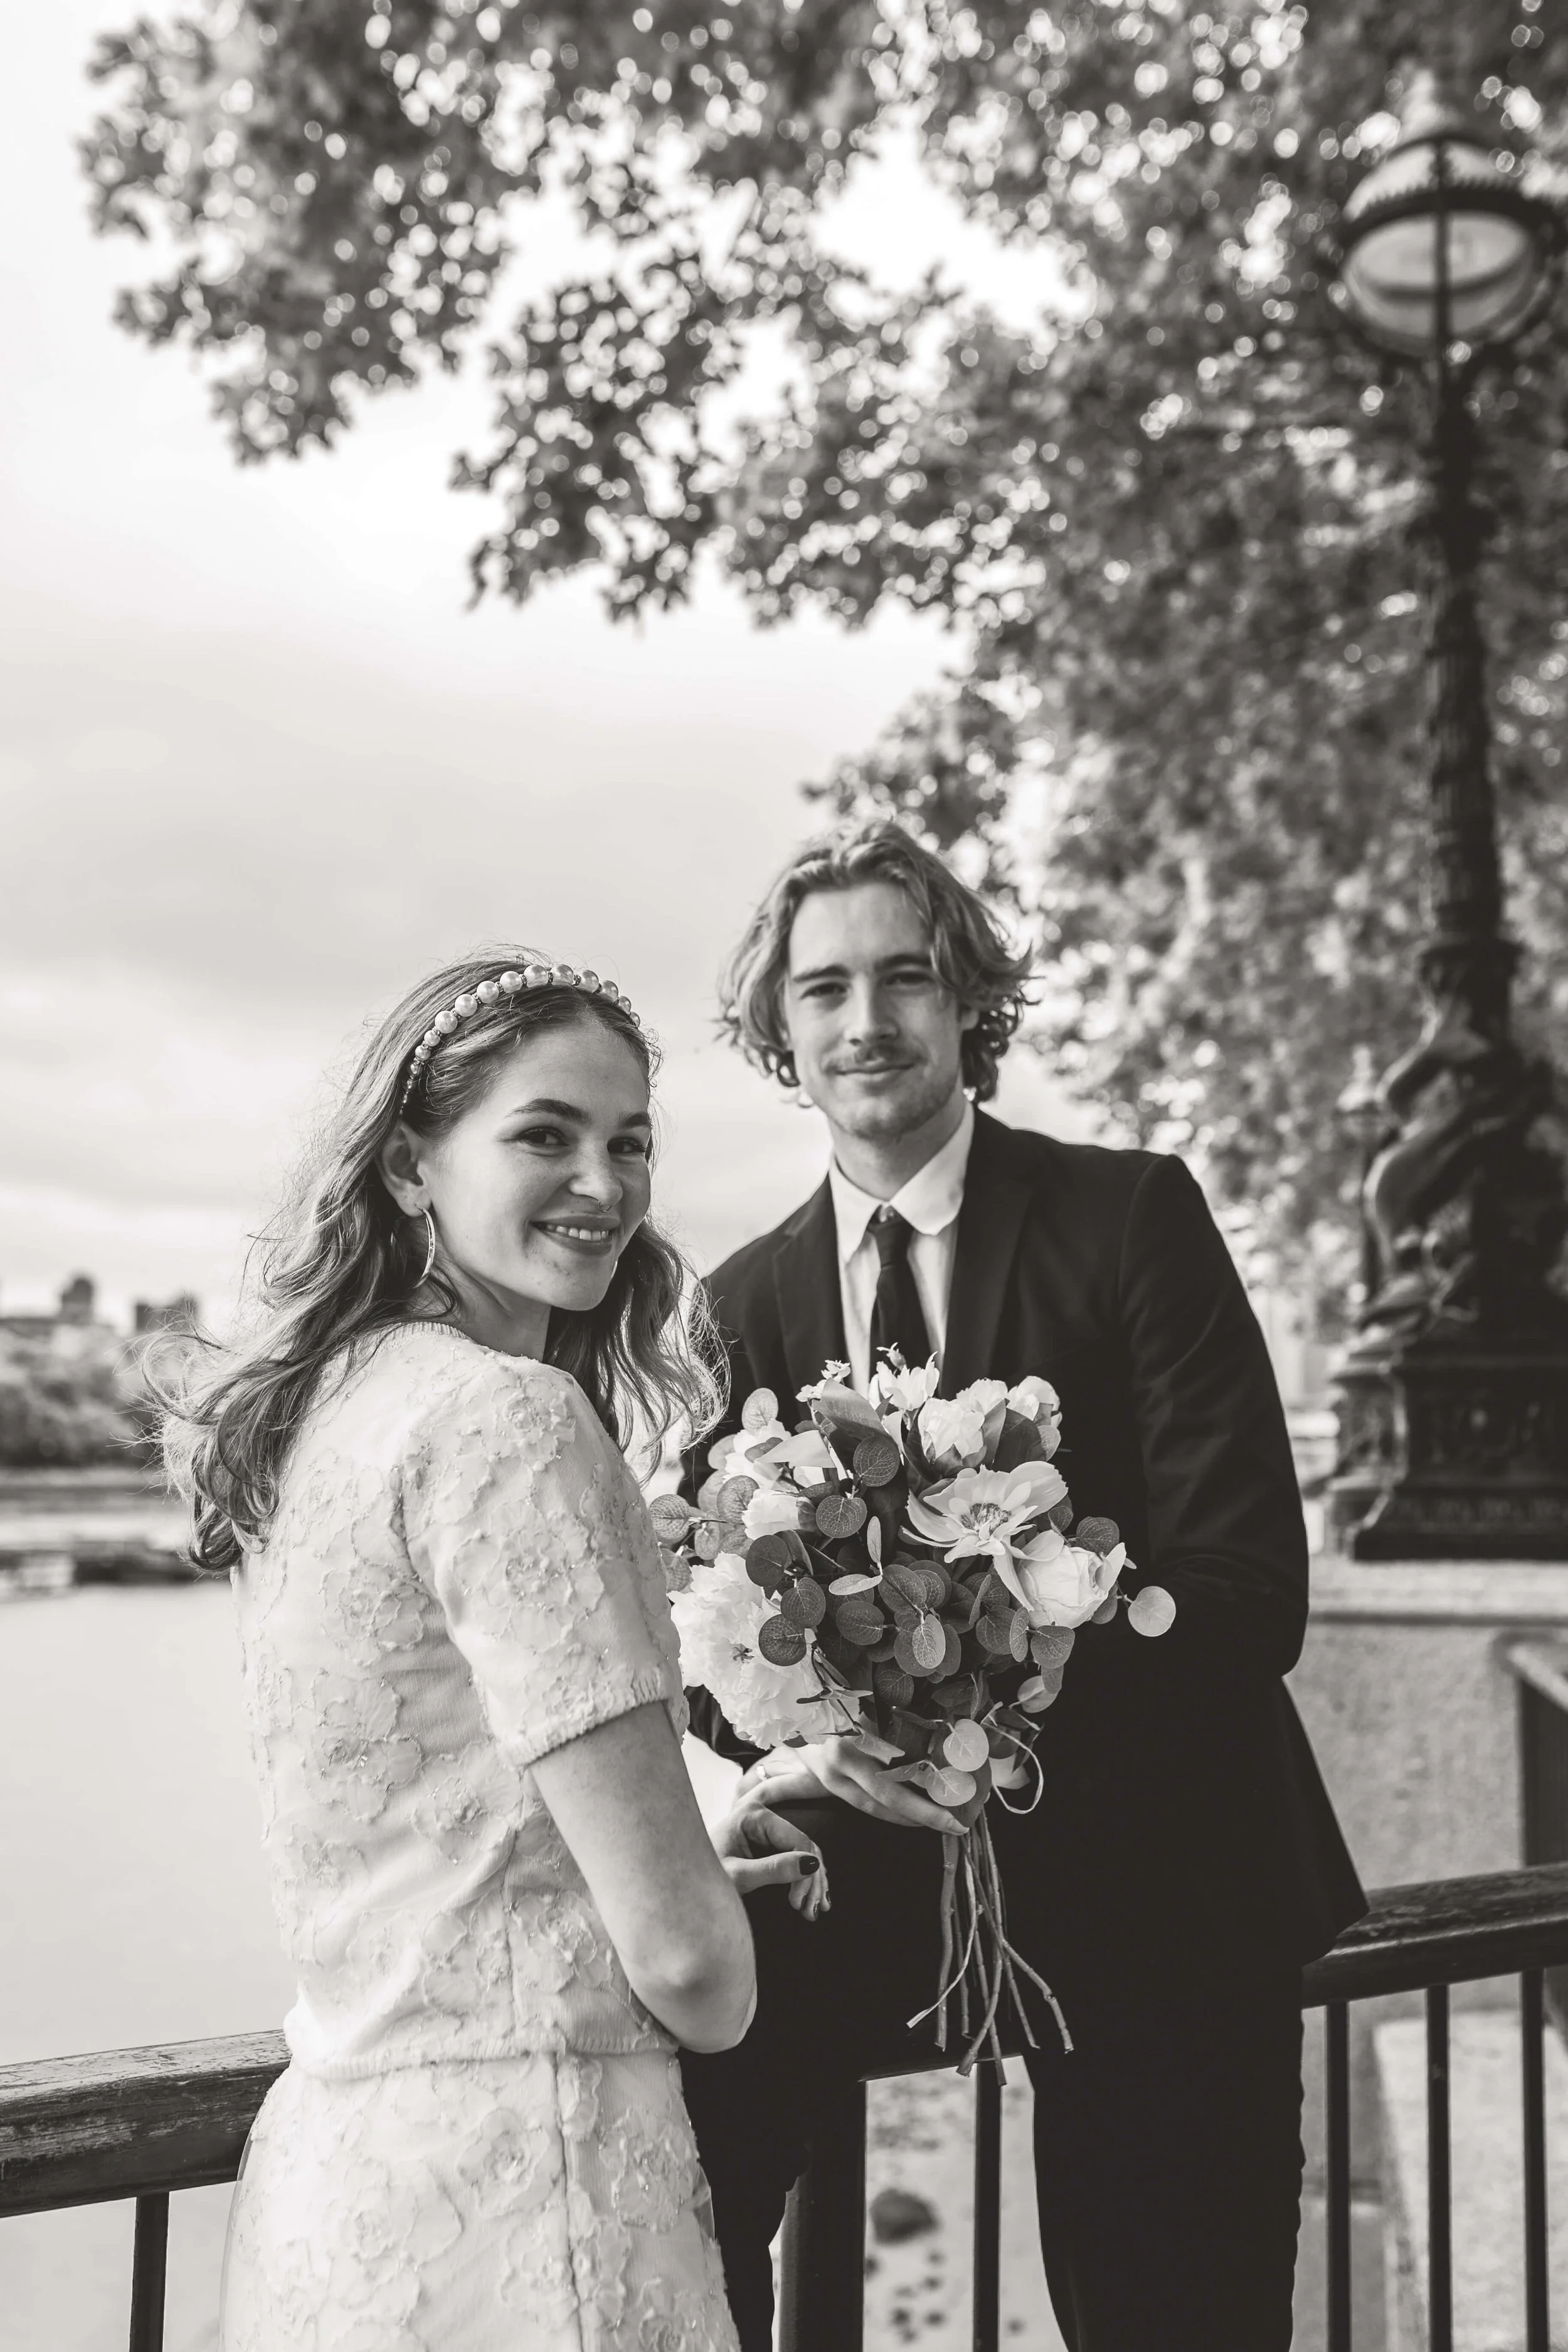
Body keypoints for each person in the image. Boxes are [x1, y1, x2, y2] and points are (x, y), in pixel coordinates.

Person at [679, 824, 1367, 2352]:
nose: (867, 1020)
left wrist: (967, 1708)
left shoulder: (1133, 1215)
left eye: (906, 976)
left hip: (1167, 1897)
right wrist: (808, 1742)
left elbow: (1246, 1593)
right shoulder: (731, 1307)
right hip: (871, 1904)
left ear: (966, 1001)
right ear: (777, 1032)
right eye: (825, 988)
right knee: (676, 2165)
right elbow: (701, 1651)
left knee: (1173, 2318)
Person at [160, 952, 825, 2352]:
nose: (603, 1181)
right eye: (544, 1134)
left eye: (629, 1140)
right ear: (411, 1167)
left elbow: (447, 1788)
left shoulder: (317, 1422)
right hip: (541, 2203)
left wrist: (706, 1803)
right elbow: (694, 1972)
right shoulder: (507, 1419)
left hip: (342, 2207)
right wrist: (729, 1928)